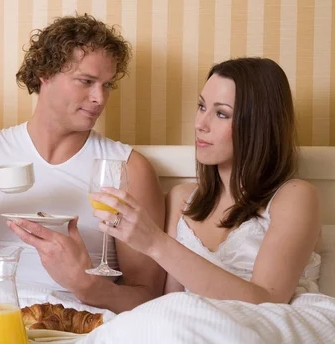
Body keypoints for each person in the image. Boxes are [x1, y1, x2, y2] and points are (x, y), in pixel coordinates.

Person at [0, 14, 166, 313]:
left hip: (76, 323)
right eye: (86, 81)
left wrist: (85, 286)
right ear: (44, 75)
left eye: (107, 84)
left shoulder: (127, 168)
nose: (100, 98)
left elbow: (147, 299)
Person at [90, 57, 321, 304]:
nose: (200, 124)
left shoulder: (295, 197)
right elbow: (172, 304)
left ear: (258, 125)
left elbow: (267, 301)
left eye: (221, 114)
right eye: (201, 107)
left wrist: (155, 242)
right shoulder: (184, 200)